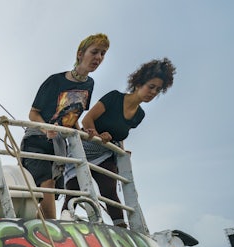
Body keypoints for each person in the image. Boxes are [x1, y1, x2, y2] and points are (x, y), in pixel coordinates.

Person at [63, 57, 176, 227]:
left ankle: (121, 229)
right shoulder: (114, 98)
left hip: (107, 152)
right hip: (87, 147)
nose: (153, 92)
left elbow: (119, 135)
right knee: (73, 190)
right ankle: (63, 224)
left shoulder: (139, 115)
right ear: (139, 83)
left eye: (158, 90)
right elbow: (87, 120)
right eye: (151, 87)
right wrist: (99, 135)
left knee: (109, 189)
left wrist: (123, 151)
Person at [21, 33, 109, 219]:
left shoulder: (90, 85)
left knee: (46, 195)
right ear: (80, 54)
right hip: (38, 139)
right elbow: (33, 113)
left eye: (103, 54)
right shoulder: (55, 81)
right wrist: (46, 129)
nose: (99, 58)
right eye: (94, 52)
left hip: (60, 146)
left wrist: (83, 131)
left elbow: (71, 117)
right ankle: (53, 231)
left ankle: (41, 231)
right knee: (46, 185)